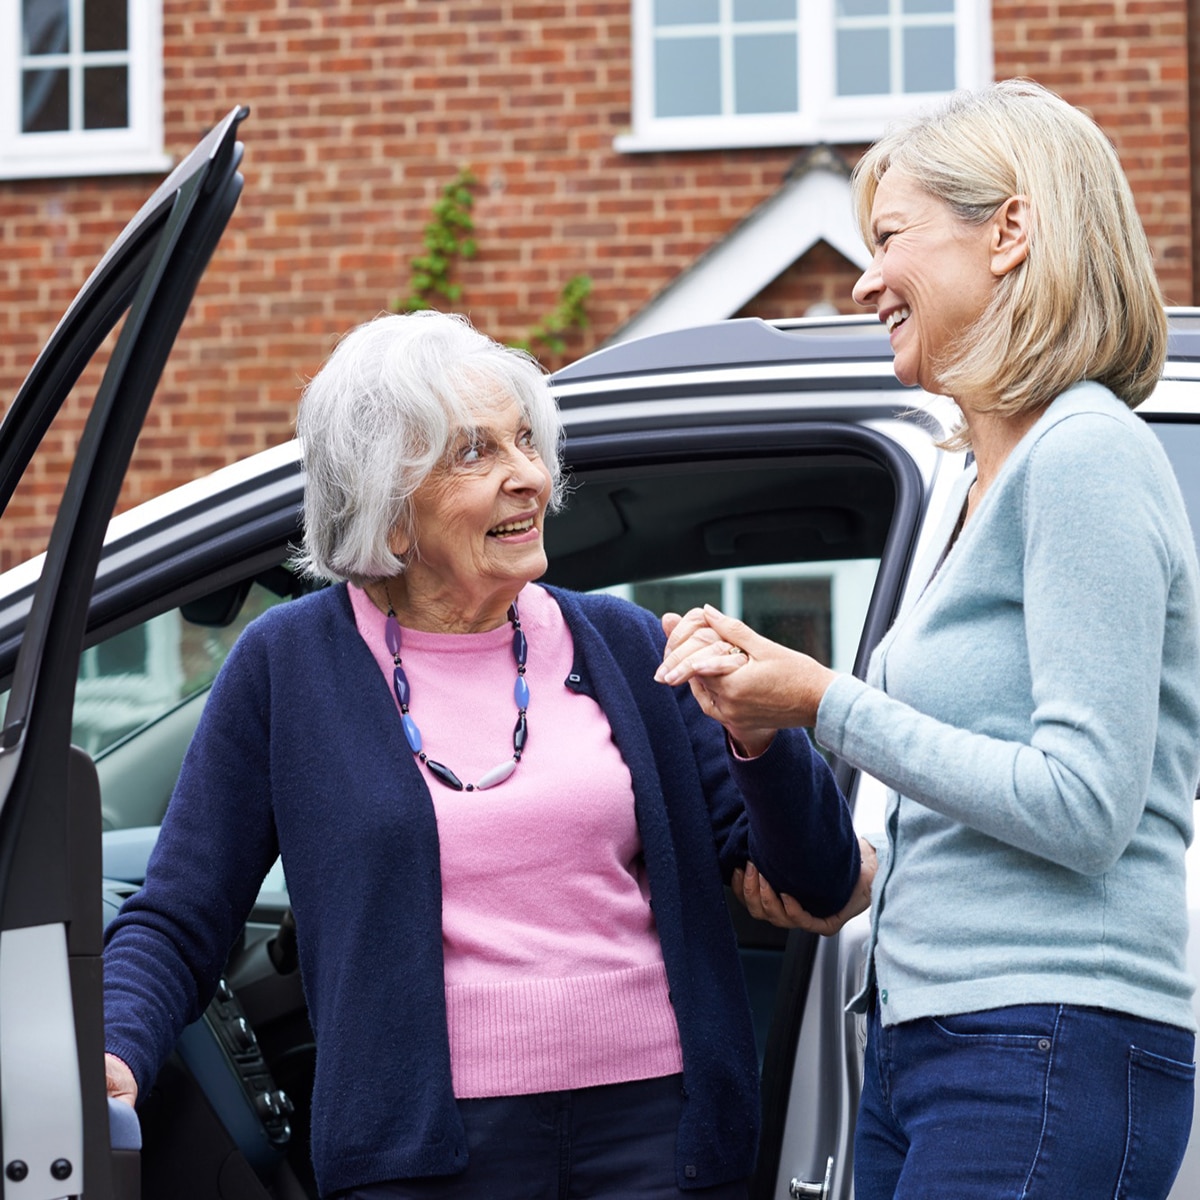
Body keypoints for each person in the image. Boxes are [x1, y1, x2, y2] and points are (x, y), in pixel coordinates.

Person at [102, 308, 865, 1199]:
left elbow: (814, 879)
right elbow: (184, 911)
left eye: (526, 443)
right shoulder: (286, 668)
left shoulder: (623, 645)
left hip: (661, 1135)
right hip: (421, 1155)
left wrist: (760, 735)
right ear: (387, 502)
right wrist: (115, 1047)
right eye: (476, 453)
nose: (530, 478)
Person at [656, 78, 1200, 1200]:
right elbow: (992, 796)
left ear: (1010, 229)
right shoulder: (978, 483)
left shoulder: (1084, 455)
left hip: (1042, 1037)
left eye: (891, 238)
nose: (863, 280)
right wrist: (864, 877)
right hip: (943, 1038)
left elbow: (1086, 805)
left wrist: (824, 702)